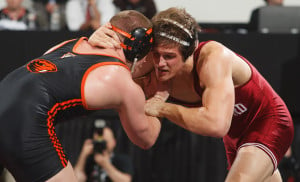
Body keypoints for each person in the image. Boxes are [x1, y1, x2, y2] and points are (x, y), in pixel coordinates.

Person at [89, 7, 294, 182]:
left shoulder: (213, 57)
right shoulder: (153, 65)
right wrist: (96, 44)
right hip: (235, 137)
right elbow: (100, 78)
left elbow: (216, 125)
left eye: (169, 57)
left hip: (266, 121)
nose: (160, 64)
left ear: (189, 53)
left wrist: (162, 107)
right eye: (156, 55)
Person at [0, 10, 161, 182]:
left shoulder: (70, 44)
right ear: (139, 48)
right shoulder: (119, 77)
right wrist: (161, 97)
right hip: (24, 123)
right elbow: (145, 139)